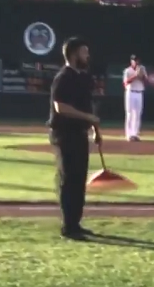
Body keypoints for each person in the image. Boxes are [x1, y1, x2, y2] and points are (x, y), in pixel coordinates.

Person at [48, 36, 101, 240]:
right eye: (84, 51)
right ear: (73, 54)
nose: (87, 55)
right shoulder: (63, 77)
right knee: (68, 178)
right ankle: (68, 226)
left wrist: (96, 130)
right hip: (63, 134)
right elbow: (60, 107)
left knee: (79, 179)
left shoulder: (85, 78)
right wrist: (88, 118)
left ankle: (75, 223)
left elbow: (90, 107)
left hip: (80, 134)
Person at [123, 54, 147, 141]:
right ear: (131, 61)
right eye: (134, 60)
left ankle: (135, 134)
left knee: (138, 114)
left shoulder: (142, 69)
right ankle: (129, 135)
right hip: (130, 92)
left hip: (139, 93)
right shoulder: (127, 70)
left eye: (137, 60)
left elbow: (146, 82)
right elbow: (125, 83)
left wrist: (142, 76)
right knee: (129, 113)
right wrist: (135, 76)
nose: (136, 62)